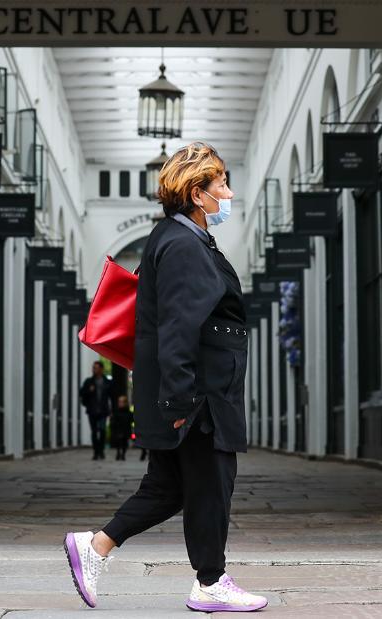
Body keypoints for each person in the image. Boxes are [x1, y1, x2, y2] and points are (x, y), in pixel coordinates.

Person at [63, 142, 267, 612]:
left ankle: (94, 547)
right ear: (198, 193)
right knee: (212, 484)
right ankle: (210, 583)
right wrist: (178, 403)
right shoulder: (181, 245)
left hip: (192, 393)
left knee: (168, 488)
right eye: (222, 185)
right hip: (199, 399)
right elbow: (179, 327)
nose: (229, 194)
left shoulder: (178, 239)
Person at [79, 361, 113, 460]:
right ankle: (95, 452)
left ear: (101, 369)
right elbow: (81, 393)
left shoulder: (107, 382)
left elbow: (112, 396)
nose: (94, 369)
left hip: (103, 411)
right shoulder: (88, 381)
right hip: (92, 410)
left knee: (102, 431)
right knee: (94, 432)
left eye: (96, 368)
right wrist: (89, 391)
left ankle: (101, 450)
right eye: (93, 368)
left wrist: (112, 411)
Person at [110, 395, 133, 461]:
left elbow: (131, 420)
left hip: (126, 429)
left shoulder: (128, 412)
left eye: (122, 402)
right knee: (118, 441)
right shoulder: (116, 412)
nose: (120, 403)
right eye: (119, 402)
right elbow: (113, 421)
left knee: (124, 442)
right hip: (118, 429)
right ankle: (118, 452)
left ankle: (123, 454)